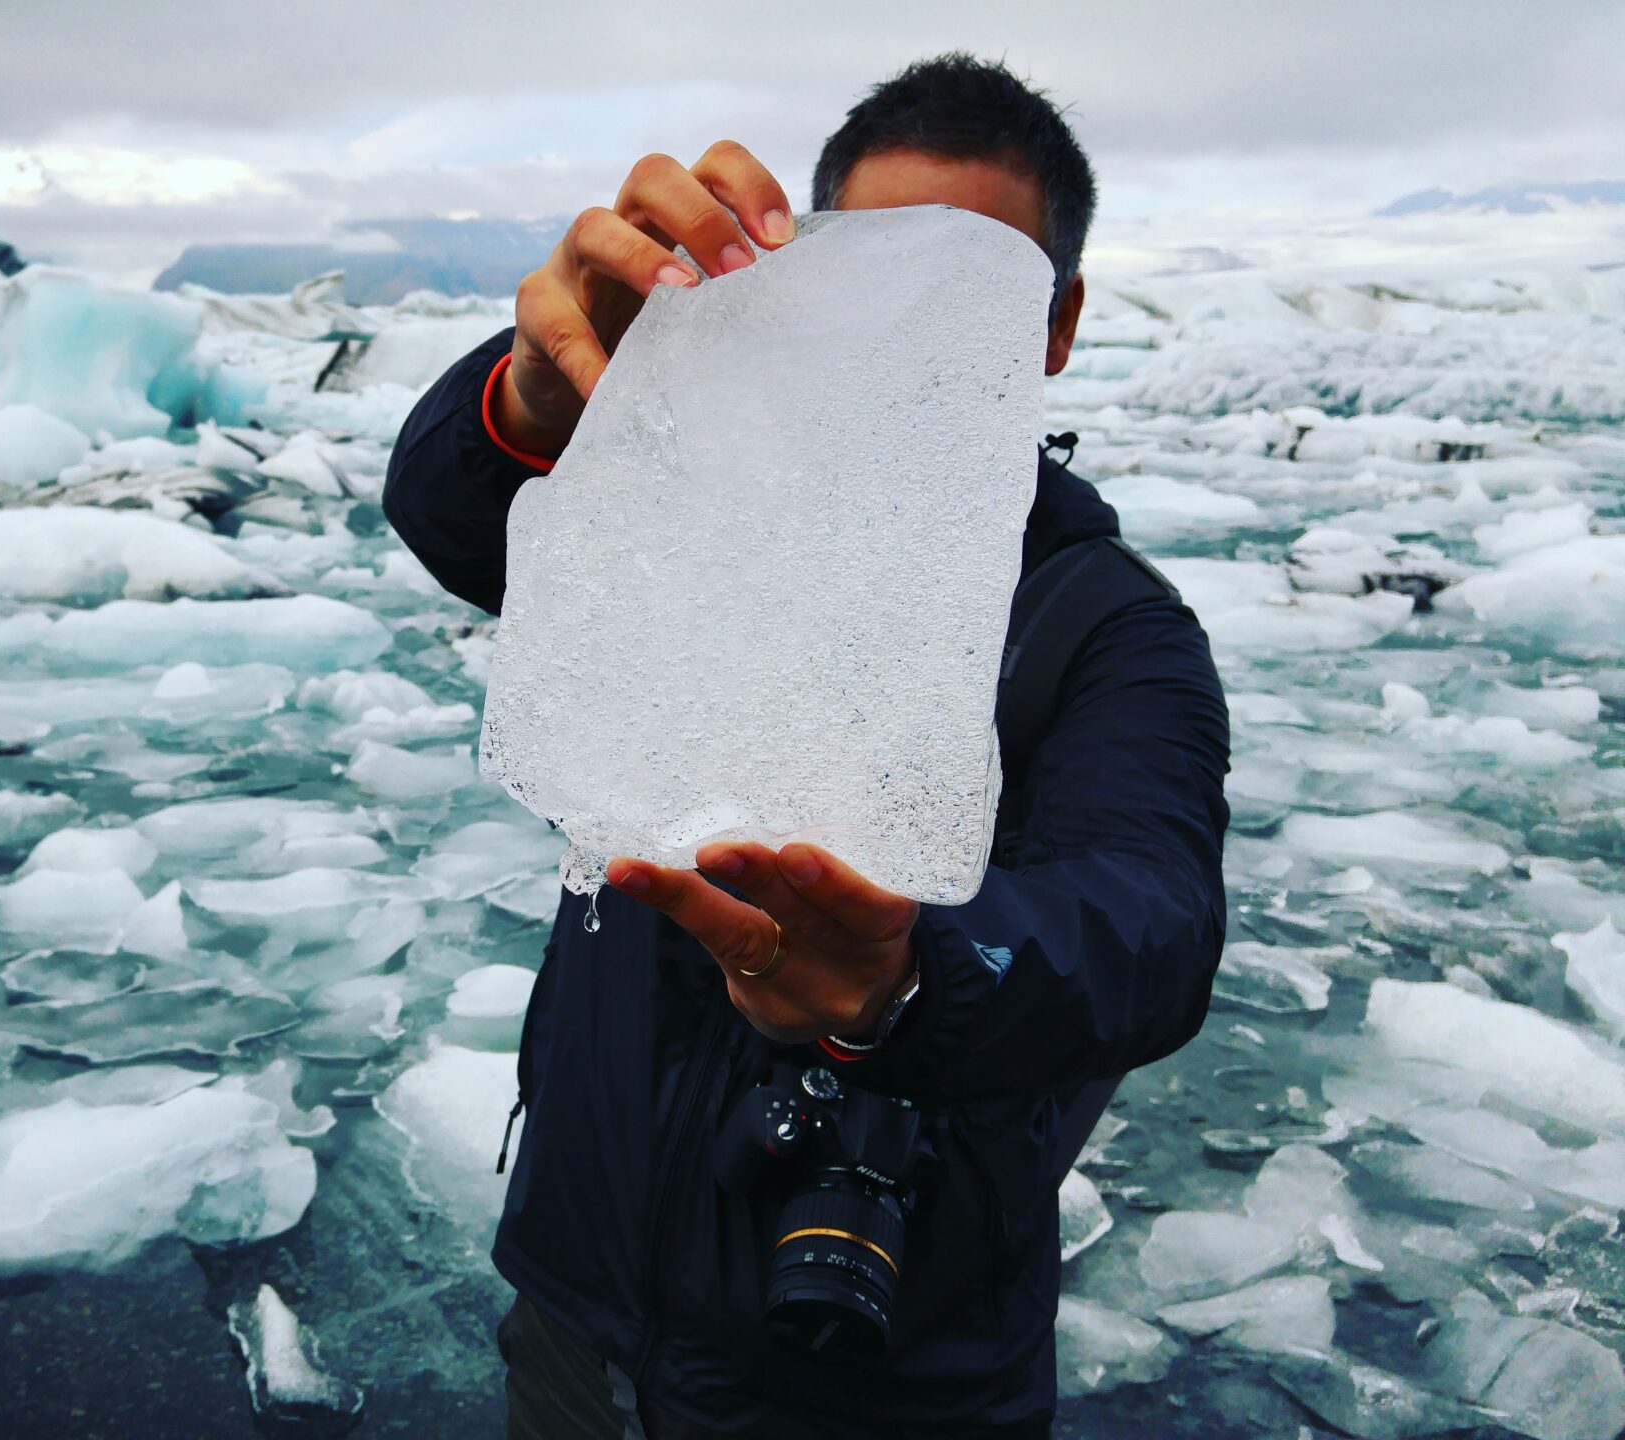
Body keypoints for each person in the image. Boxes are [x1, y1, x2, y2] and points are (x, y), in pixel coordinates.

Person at [382, 54, 1231, 1438]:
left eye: (970, 290)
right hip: (576, 1308)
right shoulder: (704, 515)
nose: (914, 331)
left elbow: (1149, 925)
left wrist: (904, 977)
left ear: (1056, 321)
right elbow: (463, 526)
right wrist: (533, 405)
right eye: (882, 275)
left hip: (880, 1388)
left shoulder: (1104, 626)